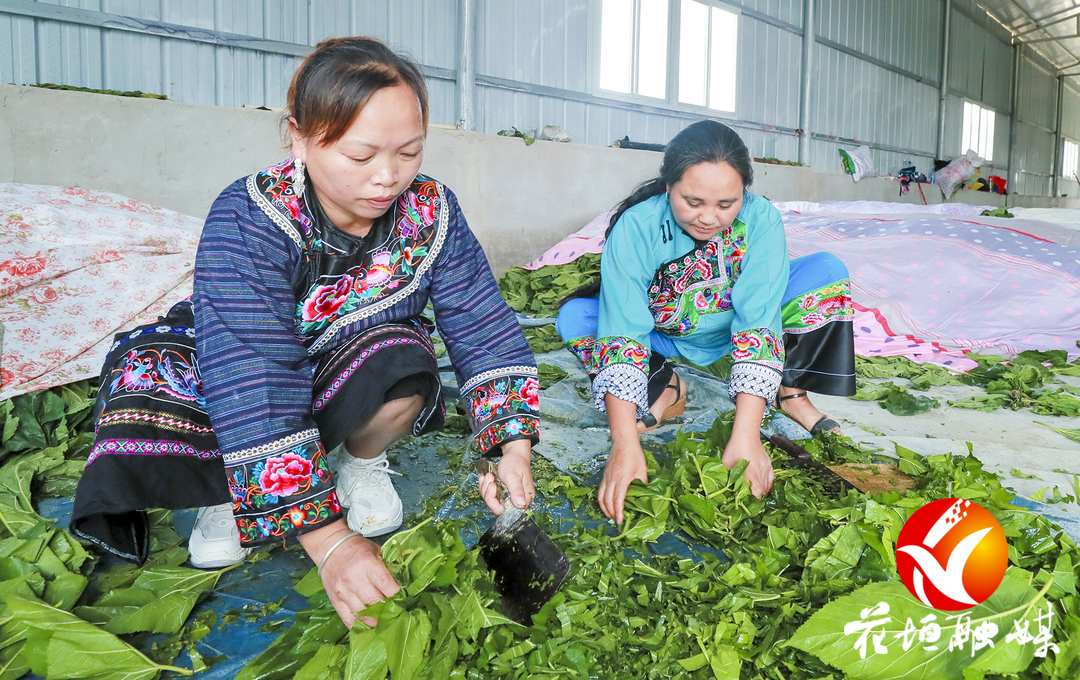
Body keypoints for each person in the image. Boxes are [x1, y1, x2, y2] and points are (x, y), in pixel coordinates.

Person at [71, 37, 540, 628]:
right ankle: (233, 492)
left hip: (342, 357)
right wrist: (331, 542)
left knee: (404, 359)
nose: (388, 177)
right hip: (239, 357)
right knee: (160, 378)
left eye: (410, 152)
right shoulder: (250, 214)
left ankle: (360, 465)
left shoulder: (432, 214)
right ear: (301, 135)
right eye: (360, 156)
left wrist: (510, 445)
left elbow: (482, 323)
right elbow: (255, 370)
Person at [555, 120, 855, 525]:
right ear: (668, 186)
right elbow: (623, 329)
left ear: (744, 194)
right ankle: (664, 384)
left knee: (825, 271)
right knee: (576, 317)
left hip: (734, 339)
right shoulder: (638, 226)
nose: (709, 218)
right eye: (692, 202)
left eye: (726, 205)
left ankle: (790, 394)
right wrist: (623, 443)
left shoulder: (761, 220)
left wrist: (747, 435)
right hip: (665, 337)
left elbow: (759, 319)